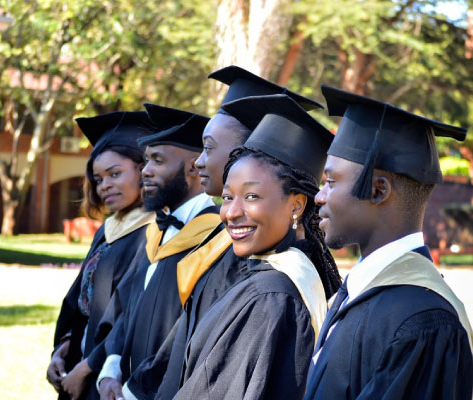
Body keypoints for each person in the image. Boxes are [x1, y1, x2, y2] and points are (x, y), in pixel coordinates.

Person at [122, 66, 325, 399]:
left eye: (208, 147)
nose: (199, 161)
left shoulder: (270, 288)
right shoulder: (249, 252)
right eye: (229, 197)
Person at [163, 94, 342, 400]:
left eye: (252, 197)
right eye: (228, 197)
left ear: (297, 206)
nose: (231, 213)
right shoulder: (283, 276)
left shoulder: (271, 297)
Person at [304, 85, 473, 399]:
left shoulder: (423, 321)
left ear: (378, 190)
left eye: (330, 182)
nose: (318, 196)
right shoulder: (359, 293)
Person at [97, 105, 221, 400]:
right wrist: (111, 369)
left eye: (157, 161)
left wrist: (134, 390)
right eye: (145, 161)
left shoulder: (215, 240)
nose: (145, 172)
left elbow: (190, 334)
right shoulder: (156, 233)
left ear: (193, 167)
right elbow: (124, 308)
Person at [47, 111, 156, 400]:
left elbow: (128, 314)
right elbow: (80, 299)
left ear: (144, 170)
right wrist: (64, 345)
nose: (104, 185)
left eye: (115, 173)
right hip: (78, 361)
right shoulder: (108, 229)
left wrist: (87, 367)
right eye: (98, 178)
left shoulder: (154, 232)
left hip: (110, 370)